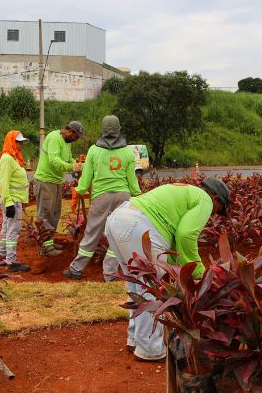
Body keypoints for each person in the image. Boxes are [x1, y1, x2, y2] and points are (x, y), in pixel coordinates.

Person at [104, 177, 230, 362]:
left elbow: (175, 243)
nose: (213, 215)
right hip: (139, 227)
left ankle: (135, 340)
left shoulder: (186, 192)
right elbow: (186, 236)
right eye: (218, 210)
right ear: (216, 199)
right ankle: (150, 350)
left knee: (137, 286)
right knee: (152, 291)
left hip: (118, 219)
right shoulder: (205, 199)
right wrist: (200, 274)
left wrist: (177, 270)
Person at [63, 115, 141, 281]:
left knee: (92, 232)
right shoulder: (127, 152)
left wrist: (79, 190)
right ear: (119, 130)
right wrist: (138, 195)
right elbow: (132, 181)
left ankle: (76, 269)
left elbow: (86, 180)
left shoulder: (94, 150)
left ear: (103, 130)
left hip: (101, 197)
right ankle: (110, 274)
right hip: (123, 197)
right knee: (118, 234)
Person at [33, 121, 85, 257]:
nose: (76, 139)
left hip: (55, 181)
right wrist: (71, 167)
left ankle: (49, 242)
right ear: (70, 132)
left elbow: (68, 160)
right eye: (76, 136)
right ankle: (45, 247)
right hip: (45, 181)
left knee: (55, 213)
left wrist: (77, 163)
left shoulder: (66, 143)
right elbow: (54, 160)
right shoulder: (54, 137)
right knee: (46, 213)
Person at [0, 131, 31, 272]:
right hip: (12, 199)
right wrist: (9, 202)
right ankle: (11, 261)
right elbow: (3, 182)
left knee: (6, 228)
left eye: (22, 142)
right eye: (18, 142)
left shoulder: (14, 157)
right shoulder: (7, 158)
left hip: (14, 199)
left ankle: (3, 256)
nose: (21, 144)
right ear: (11, 142)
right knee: (13, 230)